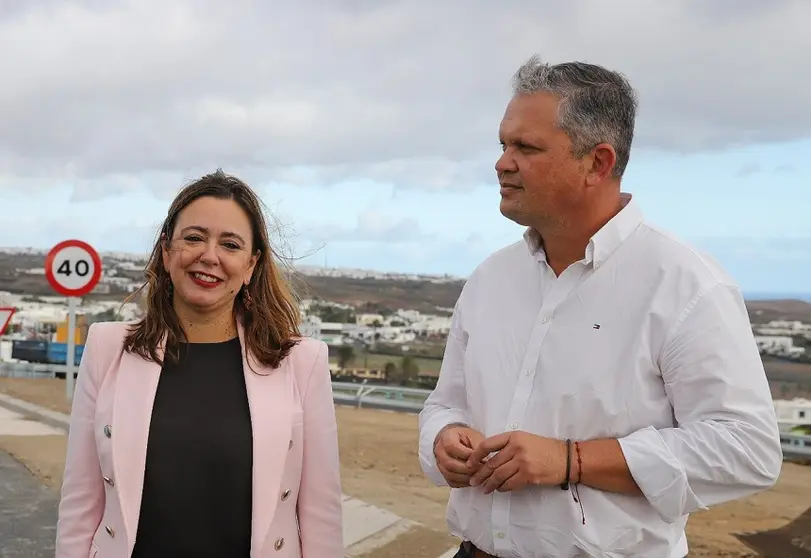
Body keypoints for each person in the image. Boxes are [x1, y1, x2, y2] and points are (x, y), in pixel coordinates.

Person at [418, 56, 783, 558]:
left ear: (599, 162)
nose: (502, 162)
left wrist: (571, 460)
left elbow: (747, 449)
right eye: (503, 144)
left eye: (525, 147)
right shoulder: (489, 278)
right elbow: (446, 402)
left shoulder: (686, 284)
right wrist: (444, 436)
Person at [55, 170, 344, 558]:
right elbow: (80, 502)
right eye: (193, 238)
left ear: (251, 265)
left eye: (230, 244)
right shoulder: (108, 348)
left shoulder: (302, 362)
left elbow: (321, 516)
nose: (209, 256)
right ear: (166, 251)